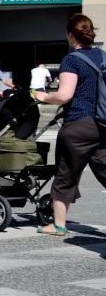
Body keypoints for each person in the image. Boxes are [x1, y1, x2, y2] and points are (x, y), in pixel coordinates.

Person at [34, 14, 106, 236]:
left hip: (78, 125)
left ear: (69, 34)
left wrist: (43, 97)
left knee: (65, 175)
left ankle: (58, 225)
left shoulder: (71, 60)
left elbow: (65, 95)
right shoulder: (102, 55)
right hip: (102, 124)